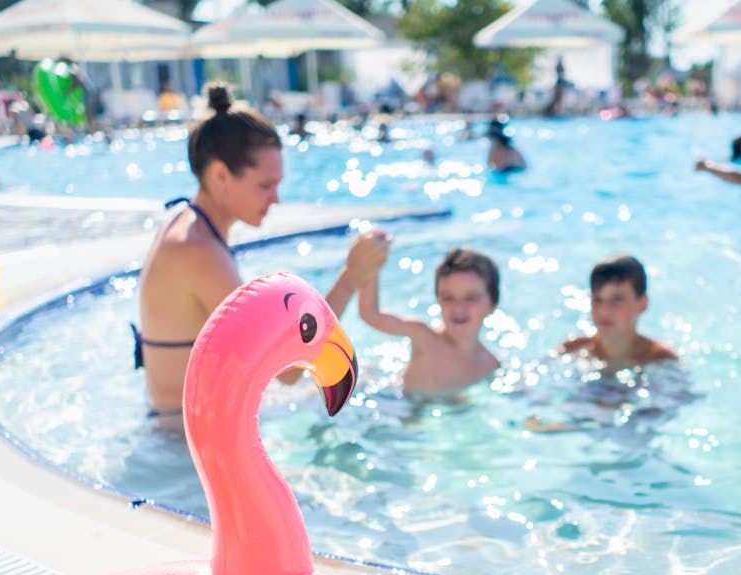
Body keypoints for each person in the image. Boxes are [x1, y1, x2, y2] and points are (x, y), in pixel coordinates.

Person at [134, 83, 388, 418]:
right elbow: (290, 372)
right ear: (220, 175)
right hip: (182, 438)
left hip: (184, 423)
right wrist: (351, 277)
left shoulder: (188, 224)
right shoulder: (197, 250)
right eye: (265, 186)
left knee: (368, 380)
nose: (276, 199)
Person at [357, 242, 501, 396]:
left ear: (492, 304)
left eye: (471, 298)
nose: (458, 308)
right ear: (438, 300)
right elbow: (370, 314)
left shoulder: (489, 364)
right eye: (448, 297)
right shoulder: (424, 338)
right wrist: (370, 264)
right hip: (397, 401)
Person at [559, 254, 676, 373]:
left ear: (642, 303)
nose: (604, 310)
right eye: (597, 299)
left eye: (617, 299)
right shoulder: (572, 350)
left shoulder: (661, 359)